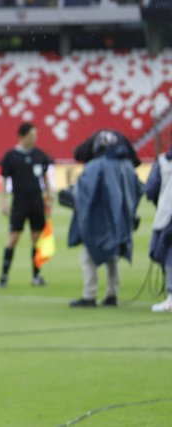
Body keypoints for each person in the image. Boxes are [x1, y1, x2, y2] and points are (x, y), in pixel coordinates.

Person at [67, 130, 143, 308]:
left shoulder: (94, 166)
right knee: (113, 256)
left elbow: (83, 195)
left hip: (97, 219)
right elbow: (138, 190)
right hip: (119, 220)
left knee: (88, 256)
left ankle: (89, 295)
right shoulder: (126, 166)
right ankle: (112, 294)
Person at [0, 122, 54, 288]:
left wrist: (49, 195)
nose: (35, 138)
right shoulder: (11, 156)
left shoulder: (39, 154)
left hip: (36, 201)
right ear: (23, 136)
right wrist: (3, 202)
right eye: (32, 135)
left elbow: (45, 177)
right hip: (19, 202)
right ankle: (4, 276)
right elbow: (3, 180)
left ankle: (37, 276)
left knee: (37, 239)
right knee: (13, 238)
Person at [145, 142, 172, 313]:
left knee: (168, 254)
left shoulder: (163, 161)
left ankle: (171, 298)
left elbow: (150, 190)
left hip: (168, 213)